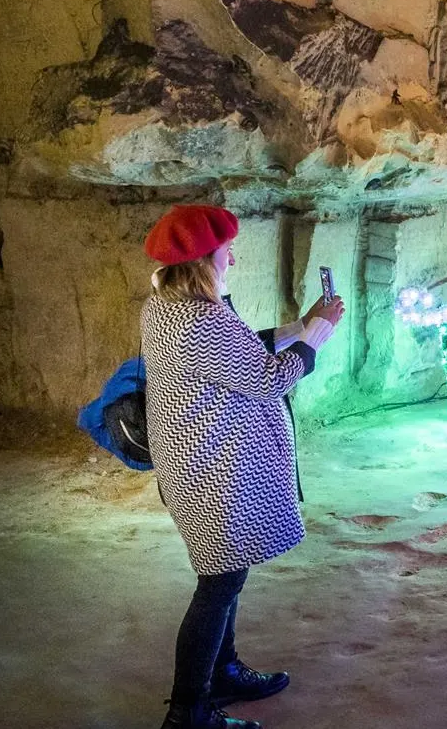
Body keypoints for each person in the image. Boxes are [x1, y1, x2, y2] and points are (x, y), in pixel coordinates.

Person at [140, 204, 343, 729]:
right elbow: (270, 378)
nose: (234, 254)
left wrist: (301, 323)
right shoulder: (201, 319)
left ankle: (222, 672)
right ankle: (189, 712)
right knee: (218, 585)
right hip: (213, 475)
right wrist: (316, 333)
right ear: (205, 260)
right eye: (226, 248)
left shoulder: (168, 305)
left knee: (226, 575)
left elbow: (239, 352)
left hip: (197, 465)